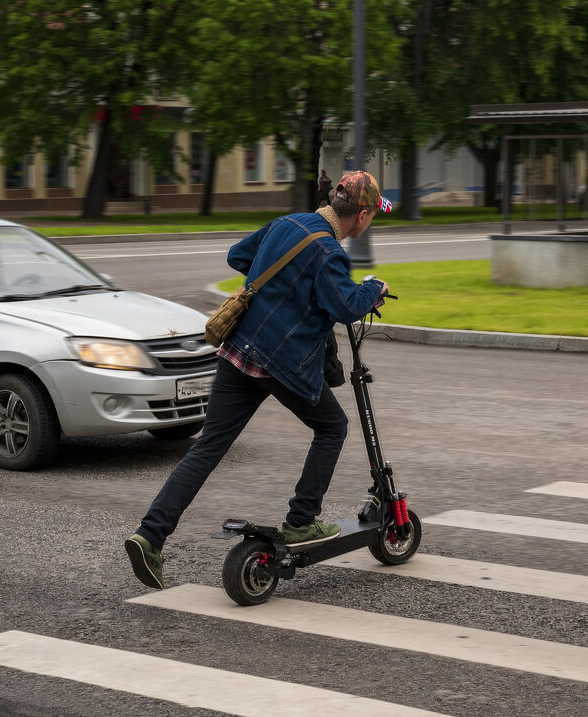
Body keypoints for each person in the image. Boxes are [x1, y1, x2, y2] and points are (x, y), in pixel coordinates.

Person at [125, 171, 393, 590]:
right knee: (332, 427)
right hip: (279, 363)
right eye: (373, 216)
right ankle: (302, 522)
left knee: (209, 446)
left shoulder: (286, 224)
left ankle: (149, 535)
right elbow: (345, 305)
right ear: (361, 215)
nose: (370, 222)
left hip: (238, 350)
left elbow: (238, 255)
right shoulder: (330, 252)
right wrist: (374, 288)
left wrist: (280, 281)